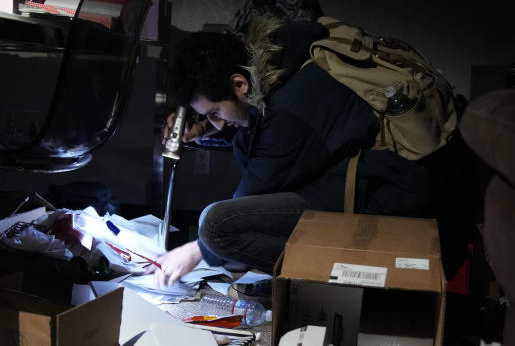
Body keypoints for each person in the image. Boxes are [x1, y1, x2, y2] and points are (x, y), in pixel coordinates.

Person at [151, 15, 431, 288]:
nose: (216, 123)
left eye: (213, 113)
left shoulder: (289, 112)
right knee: (213, 226)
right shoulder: (280, 68)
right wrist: (201, 130)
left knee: (214, 225)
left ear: (239, 84)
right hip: (356, 179)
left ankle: (335, 278)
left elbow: (243, 202)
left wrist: (194, 251)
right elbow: (254, 129)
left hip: (385, 193)